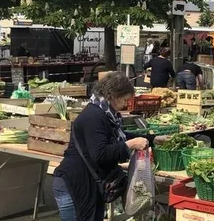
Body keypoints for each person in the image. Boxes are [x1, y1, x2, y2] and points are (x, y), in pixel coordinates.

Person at [53, 72, 153, 220]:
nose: (126, 104)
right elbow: (100, 154)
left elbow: (119, 136)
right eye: (125, 100)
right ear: (113, 95)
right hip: (75, 184)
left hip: (88, 182)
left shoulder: (106, 114)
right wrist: (131, 144)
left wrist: (152, 139)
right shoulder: (94, 116)